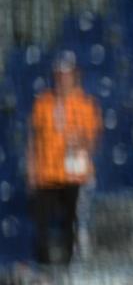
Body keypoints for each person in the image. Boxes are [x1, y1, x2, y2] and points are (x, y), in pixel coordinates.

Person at [26, 51, 101, 265]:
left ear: (75, 76)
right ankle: (44, 267)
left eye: (66, 75)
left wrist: (81, 141)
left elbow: (93, 141)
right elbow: (33, 140)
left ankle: (69, 265)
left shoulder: (86, 104)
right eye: (59, 75)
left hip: (74, 175)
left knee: (71, 223)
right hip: (47, 174)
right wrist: (32, 173)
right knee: (40, 224)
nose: (62, 79)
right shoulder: (43, 103)